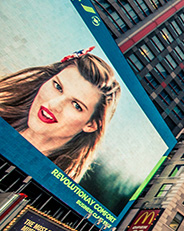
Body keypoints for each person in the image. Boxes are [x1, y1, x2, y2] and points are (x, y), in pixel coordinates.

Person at [0, 47, 121, 181]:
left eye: (76, 105)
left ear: (91, 125)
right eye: (57, 87)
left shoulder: (52, 183)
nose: (54, 105)